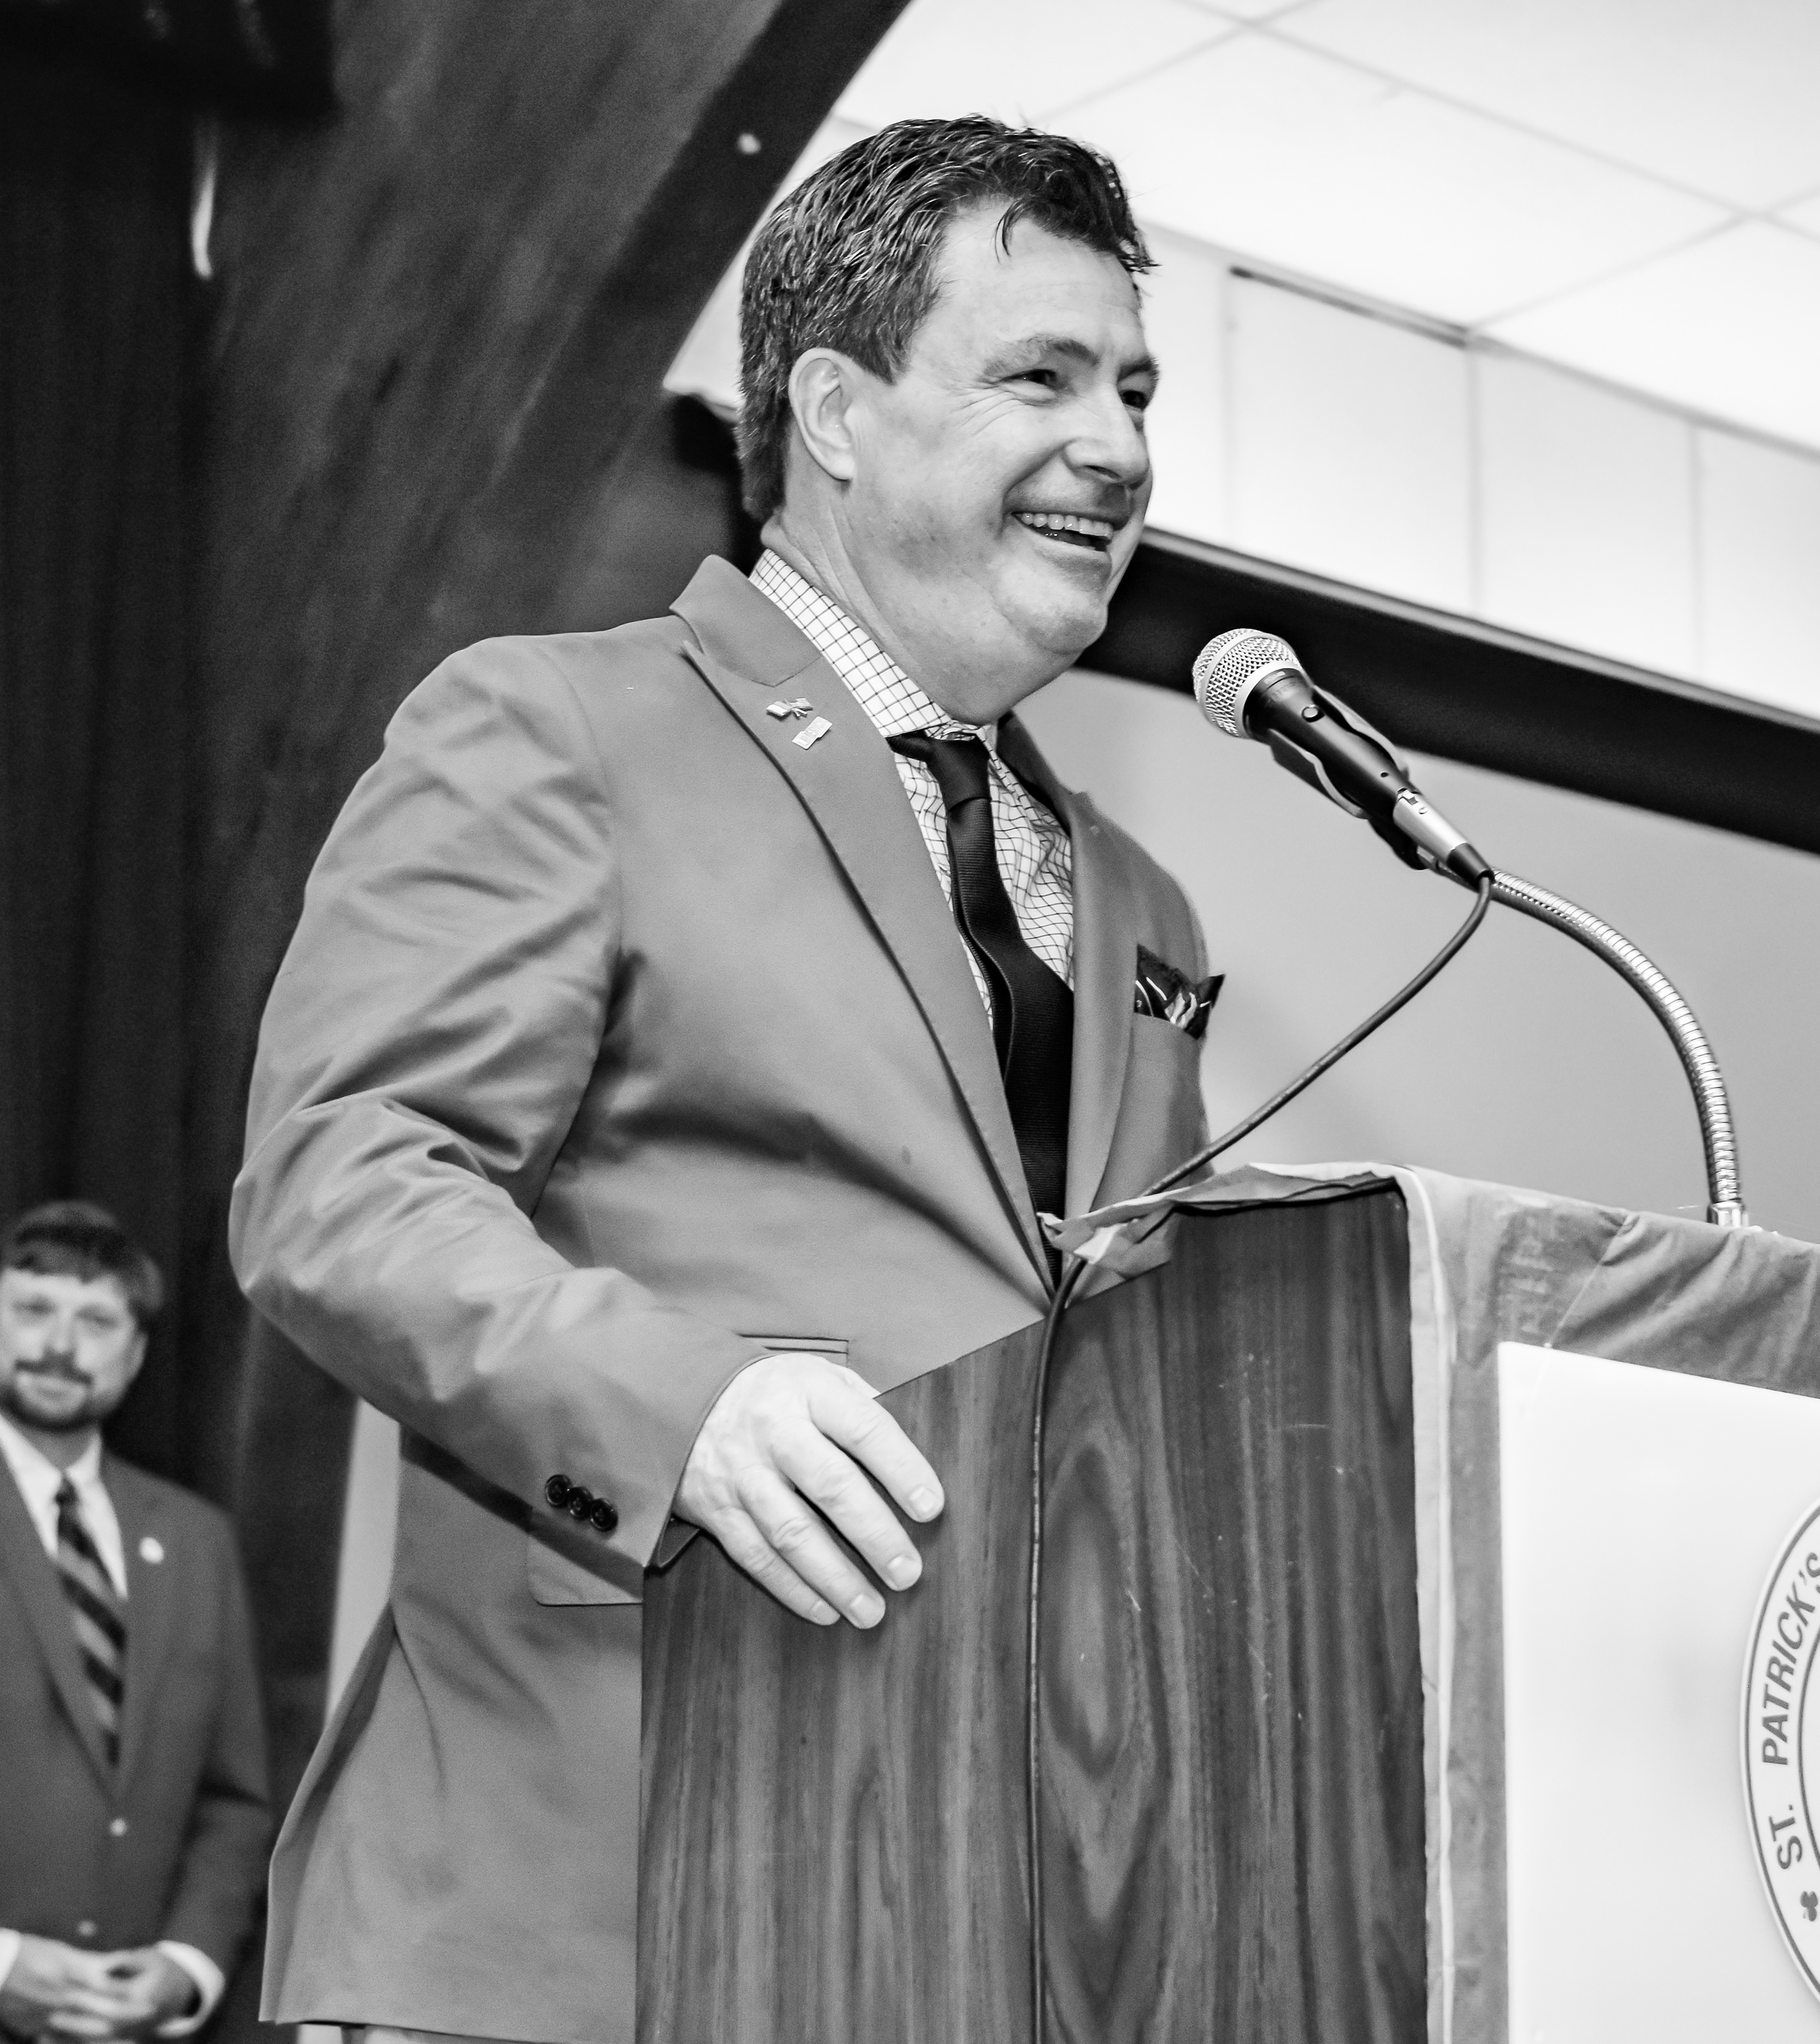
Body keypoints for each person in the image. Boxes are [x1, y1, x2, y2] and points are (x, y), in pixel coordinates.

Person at [231, 116, 1215, 2044]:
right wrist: (684, 1408)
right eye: (1039, 375)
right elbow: (342, 1183)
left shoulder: (1140, 901)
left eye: (1133, 389)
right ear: (831, 412)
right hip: (579, 1908)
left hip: (980, 1933)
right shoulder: (555, 726)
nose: (1115, 445)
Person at [0, 1201, 270, 2042]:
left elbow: (234, 1800)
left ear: (138, 1352)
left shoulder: (196, 1541)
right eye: (33, 1309)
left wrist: (186, 1967)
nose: (59, 1345)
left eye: (96, 1321)